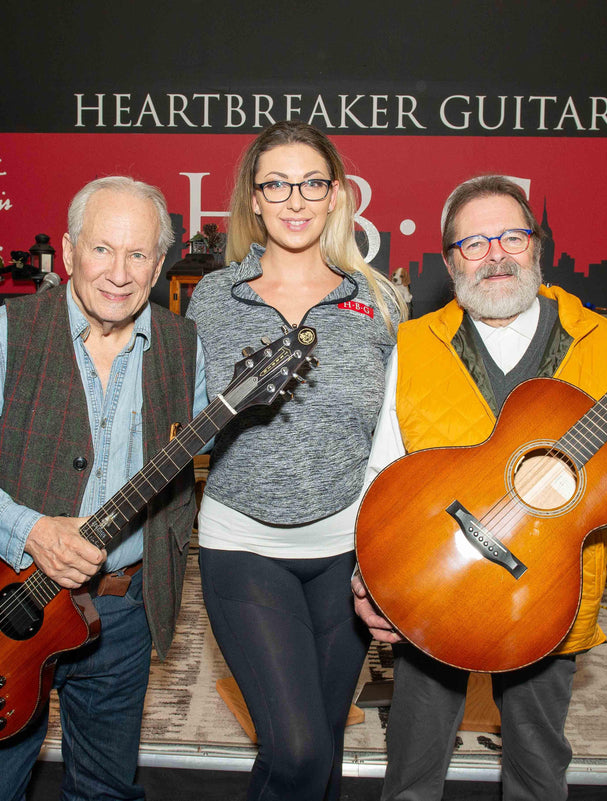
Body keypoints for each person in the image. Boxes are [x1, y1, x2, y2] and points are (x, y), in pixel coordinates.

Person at [352, 174, 607, 801]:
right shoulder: (413, 345)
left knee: (537, 758)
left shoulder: (605, 343)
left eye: (510, 236)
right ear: (450, 262)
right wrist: (371, 574)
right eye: (473, 243)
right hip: (439, 575)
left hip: (548, 586)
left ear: (537, 246)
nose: (494, 254)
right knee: (412, 759)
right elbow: (384, 467)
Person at [0, 175, 207, 801]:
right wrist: (30, 529)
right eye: (103, 249)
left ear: (159, 265)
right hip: (7, 603)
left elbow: (199, 456)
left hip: (124, 609)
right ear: (71, 253)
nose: (119, 273)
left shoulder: (185, 347)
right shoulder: (3, 334)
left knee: (104, 788)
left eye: (138, 255)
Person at [185, 120, 403, 801]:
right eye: (275, 183)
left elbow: (399, 432)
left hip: (348, 549)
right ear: (253, 198)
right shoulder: (215, 298)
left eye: (312, 182)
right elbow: (181, 413)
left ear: (337, 194)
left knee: (318, 751)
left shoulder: (378, 299)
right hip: (242, 541)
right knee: (299, 746)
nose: (294, 198)